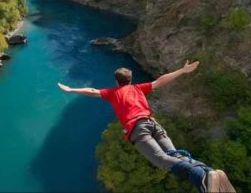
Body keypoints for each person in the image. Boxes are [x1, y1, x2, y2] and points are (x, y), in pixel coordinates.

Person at [57, 60, 236, 193]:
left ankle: (202, 177)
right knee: (175, 156)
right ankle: (208, 173)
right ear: (130, 79)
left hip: (138, 128)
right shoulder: (138, 88)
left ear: (116, 81)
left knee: (159, 159)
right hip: (153, 124)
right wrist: (182, 70)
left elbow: (93, 91)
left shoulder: (113, 93)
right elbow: (160, 81)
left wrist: (71, 90)